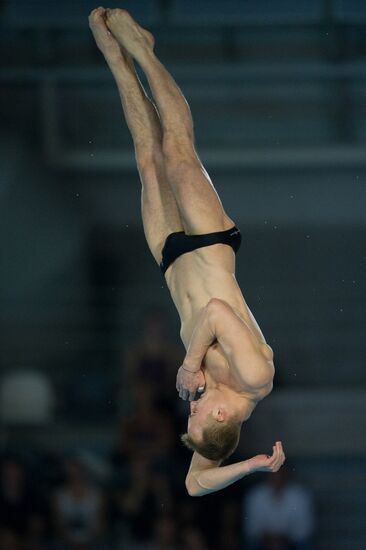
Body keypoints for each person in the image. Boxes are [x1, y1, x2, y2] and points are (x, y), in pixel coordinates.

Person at [88, 7, 285, 496]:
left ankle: (116, 56)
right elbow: (216, 312)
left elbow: (195, 486)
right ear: (221, 415)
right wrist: (190, 361)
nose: (190, 405)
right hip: (211, 243)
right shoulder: (253, 378)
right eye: (197, 414)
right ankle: (143, 51)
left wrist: (251, 466)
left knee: (146, 158)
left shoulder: (214, 410)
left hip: (171, 259)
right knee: (178, 154)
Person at [243, 465, 315, 549]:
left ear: (286, 475)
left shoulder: (300, 494)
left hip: (292, 542)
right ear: (267, 475)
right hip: (263, 542)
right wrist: (269, 539)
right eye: (274, 474)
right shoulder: (255, 494)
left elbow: (305, 529)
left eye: (280, 474)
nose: (277, 477)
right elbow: (252, 528)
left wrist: (284, 539)